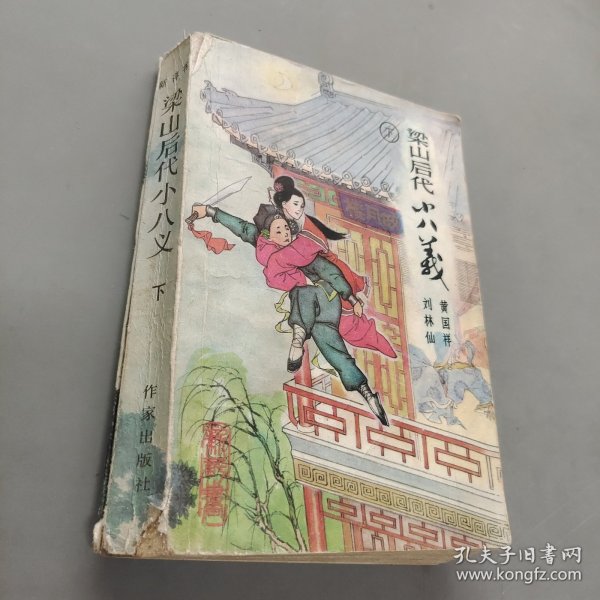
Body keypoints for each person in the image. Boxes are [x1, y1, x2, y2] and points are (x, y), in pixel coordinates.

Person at [188, 203, 389, 427]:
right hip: (310, 312)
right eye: (279, 230)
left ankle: (298, 337)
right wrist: (210, 211)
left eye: (286, 228)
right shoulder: (265, 246)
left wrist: (351, 299)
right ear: (268, 235)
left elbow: (331, 273)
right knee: (333, 351)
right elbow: (242, 227)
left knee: (302, 292)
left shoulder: (302, 249)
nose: (284, 234)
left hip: (327, 298)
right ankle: (367, 392)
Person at [270, 175, 397, 358]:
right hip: (325, 280)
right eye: (296, 204)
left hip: (334, 276)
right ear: (284, 205)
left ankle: (384, 346)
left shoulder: (309, 233)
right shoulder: (288, 223)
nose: (299, 209)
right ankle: (381, 344)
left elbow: (290, 257)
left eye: (302, 205)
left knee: (349, 326)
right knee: (346, 325)